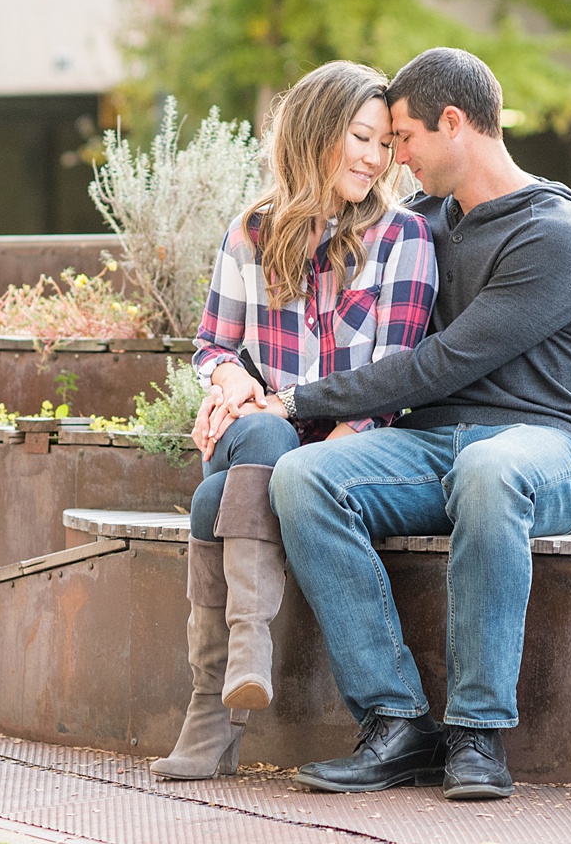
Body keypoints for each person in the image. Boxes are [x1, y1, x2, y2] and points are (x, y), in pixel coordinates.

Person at [200, 47, 571, 800]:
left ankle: (477, 733)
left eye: (403, 139)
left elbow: (441, 363)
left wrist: (295, 402)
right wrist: (229, 378)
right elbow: (300, 269)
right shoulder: (423, 223)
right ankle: (394, 720)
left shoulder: (552, 230)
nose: (394, 158)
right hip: (427, 446)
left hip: (545, 447)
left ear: (454, 124)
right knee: (304, 476)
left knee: (489, 472)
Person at [151, 60, 439, 781]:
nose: (375, 159)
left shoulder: (404, 238)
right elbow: (213, 342)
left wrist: (312, 458)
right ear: (315, 133)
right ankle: (242, 659)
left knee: (214, 498)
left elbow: (385, 384)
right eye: (360, 138)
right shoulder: (252, 230)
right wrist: (229, 378)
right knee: (264, 429)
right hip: (263, 434)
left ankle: (215, 712)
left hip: (343, 449)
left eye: (384, 145)